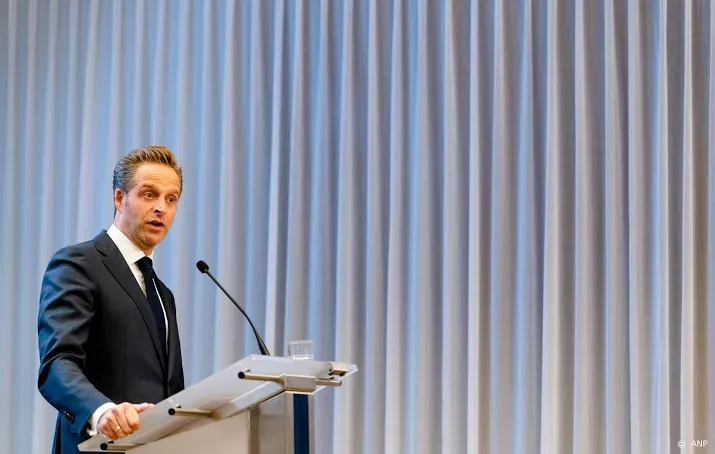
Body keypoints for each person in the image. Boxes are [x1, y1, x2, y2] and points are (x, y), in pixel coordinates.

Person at [37, 146, 185, 454]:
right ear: (120, 198)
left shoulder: (163, 294)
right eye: (149, 194)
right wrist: (102, 411)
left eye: (171, 199)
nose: (161, 208)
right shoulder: (79, 263)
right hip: (97, 446)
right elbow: (58, 364)